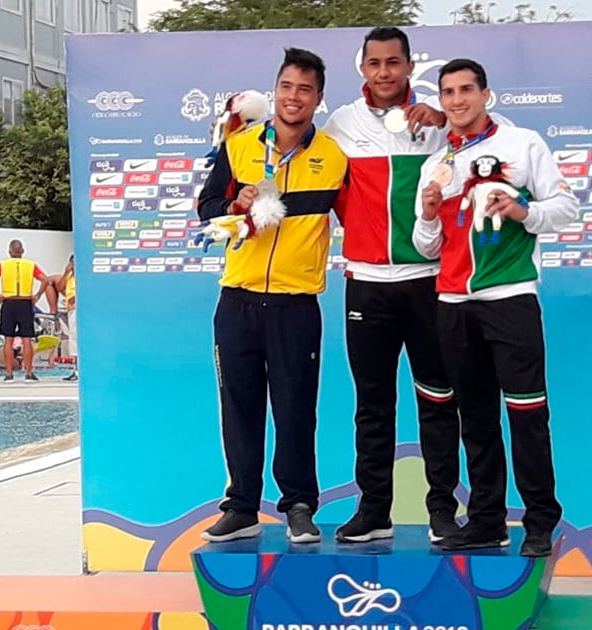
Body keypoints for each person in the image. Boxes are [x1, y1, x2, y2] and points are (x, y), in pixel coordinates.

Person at [411, 59, 579, 557]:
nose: (457, 100)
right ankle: (486, 520)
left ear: (487, 94)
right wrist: (425, 213)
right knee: (475, 418)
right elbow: (426, 247)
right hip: (453, 303)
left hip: (509, 298)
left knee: (527, 414)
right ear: (440, 101)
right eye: (448, 92)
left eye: (466, 90)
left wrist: (522, 211)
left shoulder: (522, 144)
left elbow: (566, 209)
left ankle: (540, 521)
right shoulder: (435, 164)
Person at [196, 47, 348, 544]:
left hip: (295, 305)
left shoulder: (334, 157)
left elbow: (361, 219)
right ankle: (241, 505)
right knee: (238, 407)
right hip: (236, 300)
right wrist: (231, 202)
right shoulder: (238, 146)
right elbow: (206, 207)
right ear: (275, 91)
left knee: (296, 408)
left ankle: (300, 505)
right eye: (286, 86)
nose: (294, 97)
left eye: (305, 89)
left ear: (318, 98)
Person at [322, 26, 464, 544]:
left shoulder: (438, 123)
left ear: (409, 66)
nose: (384, 72)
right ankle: (374, 510)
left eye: (394, 62)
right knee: (373, 404)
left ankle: (442, 511)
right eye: (374, 63)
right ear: (363, 68)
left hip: (428, 283)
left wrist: (447, 119)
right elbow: (318, 182)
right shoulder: (341, 123)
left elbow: (490, 140)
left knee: (438, 399)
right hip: (366, 285)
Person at [0, 239, 48, 382]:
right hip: (25, 302)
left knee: (8, 339)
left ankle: (9, 374)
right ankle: (29, 373)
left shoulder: (3, 265)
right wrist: (37, 295)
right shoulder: (30, 265)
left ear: (9, 251)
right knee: (26, 339)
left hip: (8, 302)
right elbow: (44, 279)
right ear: (22, 251)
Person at [61, 255, 78, 382]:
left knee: (77, 338)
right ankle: (76, 369)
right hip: (71, 310)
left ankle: (79, 370)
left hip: (78, 309)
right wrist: (66, 271)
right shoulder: (69, 277)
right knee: (73, 339)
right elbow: (61, 287)